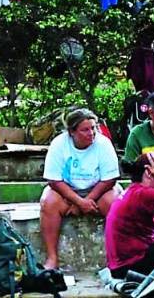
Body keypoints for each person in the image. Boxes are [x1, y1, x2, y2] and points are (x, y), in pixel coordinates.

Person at [39, 108, 120, 270]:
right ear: (72, 132)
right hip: (67, 191)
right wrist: (77, 201)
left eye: (94, 128)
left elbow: (109, 179)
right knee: (48, 202)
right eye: (85, 130)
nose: (91, 133)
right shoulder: (59, 144)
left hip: (99, 190)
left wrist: (87, 200)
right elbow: (54, 180)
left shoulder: (103, 144)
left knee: (114, 202)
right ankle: (52, 258)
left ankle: (117, 257)